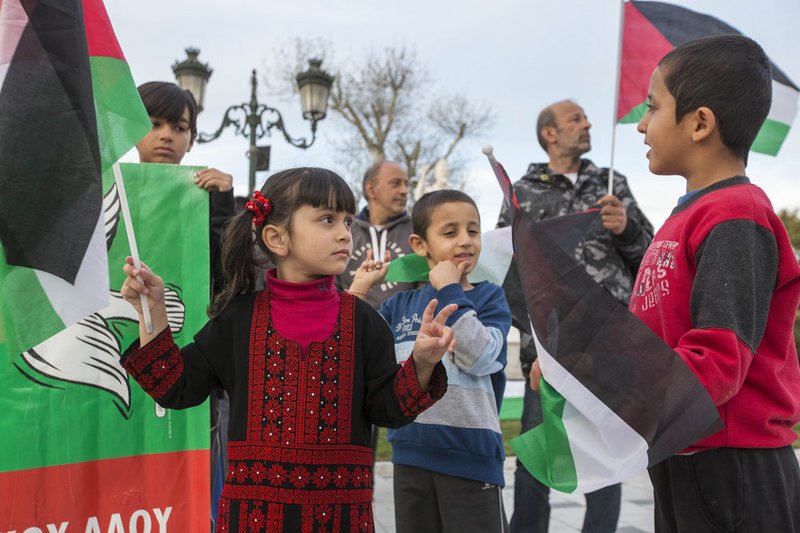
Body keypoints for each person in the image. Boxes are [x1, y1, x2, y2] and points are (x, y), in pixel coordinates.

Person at [119, 167, 456, 532]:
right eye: (327, 219)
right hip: (252, 522)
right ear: (277, 238)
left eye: (346, 220)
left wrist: (421, 363)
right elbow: (175, 386)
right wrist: (153, 313)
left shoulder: (364, 321)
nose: (345, 233)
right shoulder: (237, 320)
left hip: (341, 522)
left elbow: (387, 409)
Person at [629, 34, 800, 531]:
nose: (641, 125)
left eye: (652, 107)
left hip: (731, 465)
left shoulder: (735, 214)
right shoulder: (688, 216)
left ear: (700, 123)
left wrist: (615, 384)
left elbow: (718, 360)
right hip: (683, 454)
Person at [497, 99, 654, 533]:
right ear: (549, 133)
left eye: (586, 118)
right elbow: (506, 271)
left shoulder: (611, 182)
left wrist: (627, 229)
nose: (587, 124)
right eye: (576, 119)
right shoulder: (521, 193)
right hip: (549, 350)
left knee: (607, 460)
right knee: (538, 461)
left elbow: (650, 260)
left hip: (609, 345)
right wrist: (531, 338)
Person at [351, 189, 512, 532]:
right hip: (410, 456)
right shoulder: (399, 305)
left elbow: (482, 356)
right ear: (420, 244)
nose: (465, 241)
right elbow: (353, 350)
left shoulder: (489, 297)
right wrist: (359, 291)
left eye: (473, 230)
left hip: (472, 460)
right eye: (450, 232)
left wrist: (451, 292)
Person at [135, 81, 237, 526]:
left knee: (192, 473)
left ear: (192, 138)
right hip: (123, 348)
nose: (166, 135)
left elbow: (227, 276)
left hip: (188, 363)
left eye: (179, 127)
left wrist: (222, 207)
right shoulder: (104, 192)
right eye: (154, 123)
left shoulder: (206, 195)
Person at [336, 160, 416, 309]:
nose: (404, 191)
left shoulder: (417, 231)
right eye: (396, 183)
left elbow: (427, 286)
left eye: (406, 184)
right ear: (371, 189)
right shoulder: (345, 232)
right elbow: (334, 287)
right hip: (355, 326)